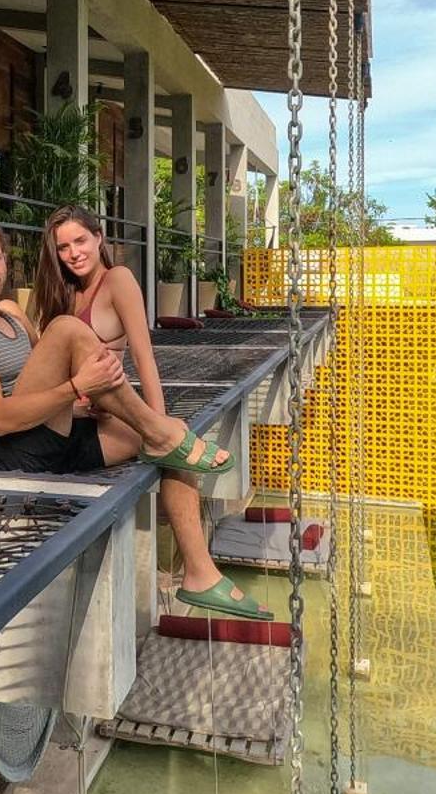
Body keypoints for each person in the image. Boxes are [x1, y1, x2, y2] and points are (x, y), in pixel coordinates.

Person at [0, 216, 269, 620]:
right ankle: (158, 430)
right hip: (1, 453)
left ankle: (200, 573)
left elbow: (40, 377)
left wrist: (73, 404)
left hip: (45, 438)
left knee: (172, 442)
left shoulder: (11, 314)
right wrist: (76, 387)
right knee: (67, 329)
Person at [30, 203, 265, 620]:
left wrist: (161, 425)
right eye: (63, 247)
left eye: (80, 241)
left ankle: (199, 571)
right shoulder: (55, 291)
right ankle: (200, 573)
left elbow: (143, 356)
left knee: (173, 444)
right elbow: (37, 363)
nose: (73, 253)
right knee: (174, 442)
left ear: (99, 238)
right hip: (58, 420)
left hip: (95, 418)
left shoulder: (117, 280)